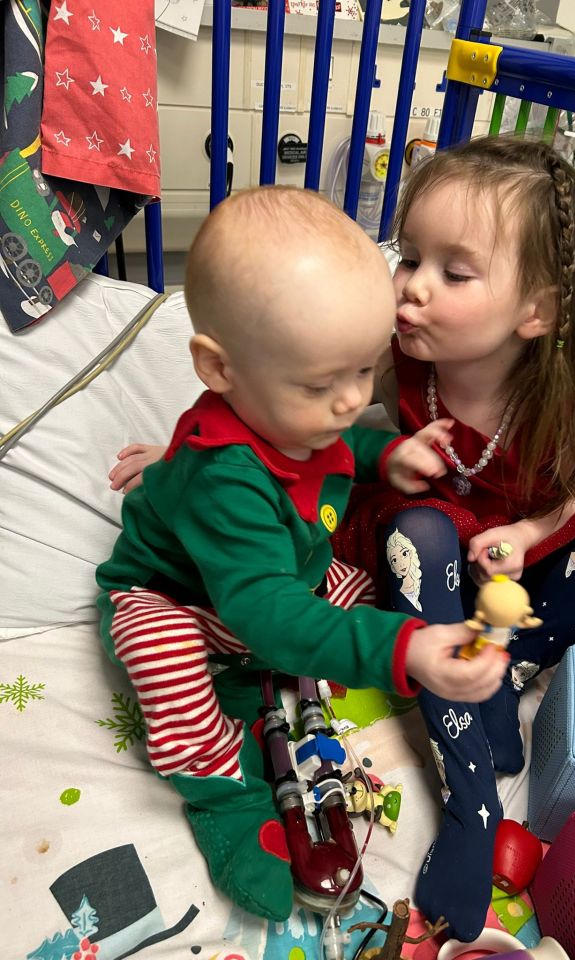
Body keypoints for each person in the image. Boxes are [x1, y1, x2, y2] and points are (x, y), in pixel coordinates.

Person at [110, 139, 575, 940]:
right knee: (404, 539)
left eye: (453, 272)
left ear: (538, 312)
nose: (411, 287)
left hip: (493, 565)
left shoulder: (549, 392)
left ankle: (508, 665)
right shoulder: (390, 361)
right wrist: (178, 461)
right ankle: (452, 795)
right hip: (361, 562)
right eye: (409, 256)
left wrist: (521, 529)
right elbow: (276, 409)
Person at [96, 185, 509, 925]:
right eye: (324, 383)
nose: (352, 400)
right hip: (182, 599)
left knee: (356, 584)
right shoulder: (224, 477)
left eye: (361, 371)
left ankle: (318, 670)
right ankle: (226, 794)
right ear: (219, 370)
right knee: (155, 644)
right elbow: (268, 614)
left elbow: (335, 441)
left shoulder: (303, 416)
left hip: (271, 586)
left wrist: (388, 455)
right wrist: (405, 650)